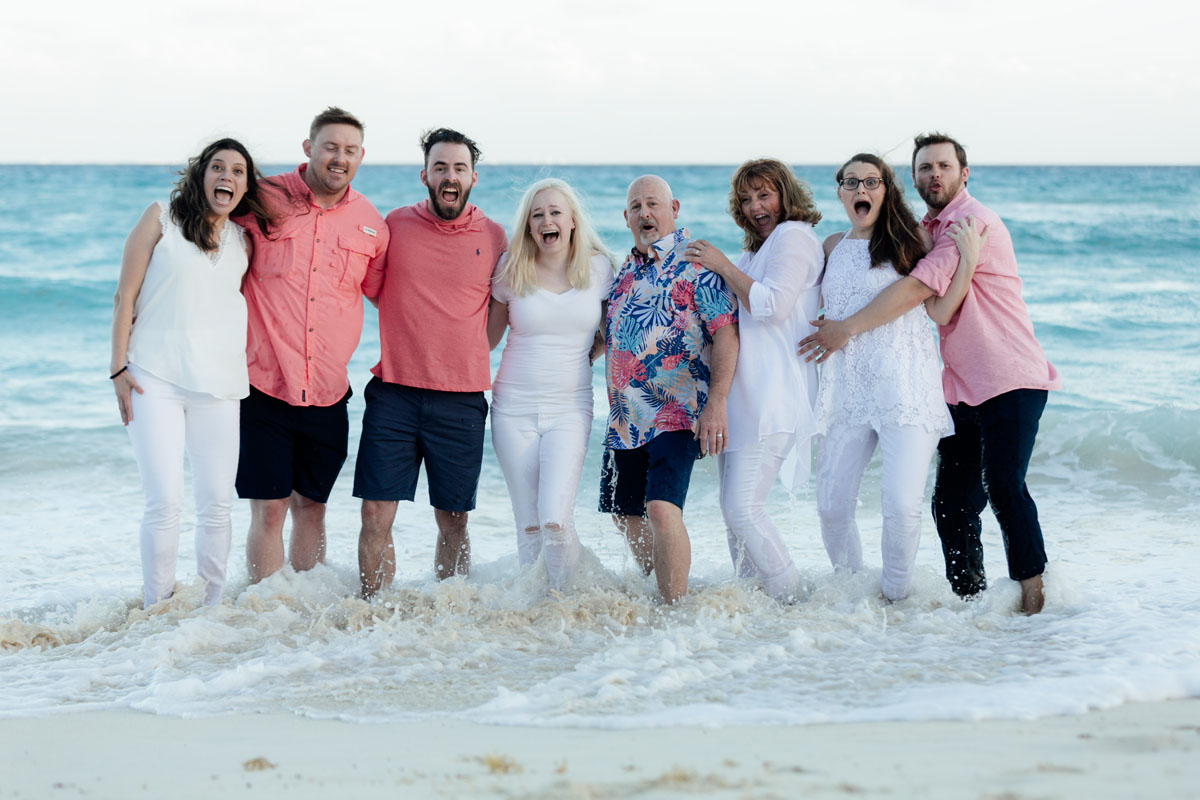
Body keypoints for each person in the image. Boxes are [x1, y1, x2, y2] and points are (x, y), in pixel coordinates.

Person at [798, 134, 1060, 614]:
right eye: (924, 168)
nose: (933, 175)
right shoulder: (927, 228)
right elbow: (935, 309)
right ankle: (971, 603)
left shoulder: (968, 223)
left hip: (1008, 375)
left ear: (965, 172)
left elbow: (921, 293)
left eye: (943, 166)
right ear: (912, 179)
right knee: (952, 506)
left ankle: (1034, 601)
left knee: (1003, 486)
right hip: (959, 386)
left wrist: (846, 329)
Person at [811, 153, 981, 601]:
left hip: (905, 386)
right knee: (831, 506)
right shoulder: (829, 247)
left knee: (901, 506)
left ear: (886, 189)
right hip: (847, 389)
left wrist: (967, 262)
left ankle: (897, 602)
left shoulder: (913, 241)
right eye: (851, 182)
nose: (861, 190)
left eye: (871, 181)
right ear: (840, 191)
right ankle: (852, 593)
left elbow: (940, 310)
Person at [110, 138, 272, 607]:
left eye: (238, 170)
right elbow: (125, 296)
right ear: (201, 174)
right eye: (218, 166)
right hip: (152, 377)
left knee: (217, 506)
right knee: (164, 503)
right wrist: (117, 367)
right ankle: (156, 608)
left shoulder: (244, 240)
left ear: (245, 185)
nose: (228, 176)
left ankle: (211, 610)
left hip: (220, 386)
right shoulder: (160, 218)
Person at [235, 107, 389, 583]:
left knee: (313, 508)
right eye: (330, 147)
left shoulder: (371, 225)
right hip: (263, 384)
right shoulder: (262, 198)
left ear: (361, 157)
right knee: (269, 510)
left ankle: (303, 615)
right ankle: (263, 611)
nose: (338, 158)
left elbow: (387, 296)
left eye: (349, 151)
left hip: (326, 391)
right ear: (308, 148)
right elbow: (203, 237)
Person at [356, 128, 507, 598]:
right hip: (394, 394)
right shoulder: (394, 225)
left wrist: (464, 353)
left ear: (473, 178)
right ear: (425, 174)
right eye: (440, 167)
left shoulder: (494, 235)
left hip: (461, 401)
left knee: (454, 519)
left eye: (459, 168)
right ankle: (373, 609)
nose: (449, 175)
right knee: (375, 513)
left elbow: (500, 307)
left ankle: (450, 611)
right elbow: (376, 290)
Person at [680, 159, 823, 601]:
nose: (755, 206)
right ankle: (753, 606)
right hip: (742, 399)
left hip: (773, 395)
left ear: (785, 194)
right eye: (746, 199)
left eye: (764, 195)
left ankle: (792, 599)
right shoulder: (754, 252)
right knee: (732, 513)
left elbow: (773, 306)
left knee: (742, 508)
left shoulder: (793, 236)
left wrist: (721, 264)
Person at [601, 175, 739, 604]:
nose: (646, 214)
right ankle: (663, 584)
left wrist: (716, 403)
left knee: (662, 509)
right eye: (637, 207)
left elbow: (727, 335)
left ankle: (673, 610)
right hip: (625, 418)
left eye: (654, 204)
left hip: (676, 413)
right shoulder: (623, 272)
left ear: (674, 208)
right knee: (625, 516)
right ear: (625, 217)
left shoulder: (697, 263)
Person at [486, 179, 615, 589]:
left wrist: (590, 359)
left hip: (570, 409)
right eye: (537, 214)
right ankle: (533, 611)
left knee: (555, 520)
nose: (547, 221)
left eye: (555, 212)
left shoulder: (598, 270)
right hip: (512, 410)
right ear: (527, 226)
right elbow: (485, 341)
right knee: (529, 525)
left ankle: (568, 603)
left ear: (573, 221)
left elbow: (614, 335)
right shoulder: (510, 270)